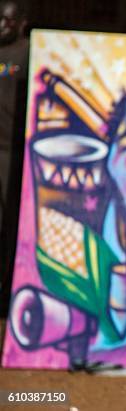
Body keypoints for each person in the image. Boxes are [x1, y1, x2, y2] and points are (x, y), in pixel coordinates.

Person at [0, 0, 28, 315]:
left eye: (8, 20)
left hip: (14, 154)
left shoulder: (31, 52)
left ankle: (8, 293)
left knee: (12, 226)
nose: (2, 25)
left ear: (21, 23)